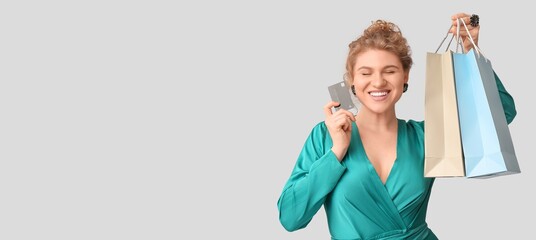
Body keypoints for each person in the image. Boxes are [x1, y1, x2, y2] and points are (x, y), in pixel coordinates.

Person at [277, 13, 516, 240]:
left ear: (405, 76)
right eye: (365, 73)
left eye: (389, 71)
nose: (378, 81)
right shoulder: (325, 136)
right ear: (351, 80)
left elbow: (501, 113)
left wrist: (470, 51)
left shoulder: (426, 136)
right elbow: (290, 218)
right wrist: (335, 153)